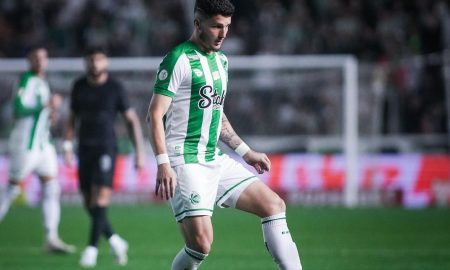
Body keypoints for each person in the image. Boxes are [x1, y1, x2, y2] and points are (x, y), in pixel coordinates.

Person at [147, 1, 303, 269]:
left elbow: (216, 114)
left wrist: (245, 152)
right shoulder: (178, 59)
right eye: (216, 26)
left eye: (227, 27)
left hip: (214, 158)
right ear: (198, 24)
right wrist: (163, 163)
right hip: (185, 161)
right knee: (201, 245)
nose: (223, 33)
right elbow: (154, 114)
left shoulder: (221, 61)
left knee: (274, 205)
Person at [63, 47, 146, 268]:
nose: (95, 64)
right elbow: (71, 118)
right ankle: (116, 241)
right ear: (86, 62)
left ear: (106, 62)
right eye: (91, 60)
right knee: (88, 202)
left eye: (99, 60)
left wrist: (139, 152)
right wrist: (67, 146)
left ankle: (91, 250)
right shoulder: (78, 86)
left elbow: (131, 120)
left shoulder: (115, 88)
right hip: (84, 149)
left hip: (106, 148)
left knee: (100, 198)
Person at [0, 46, 75, 254]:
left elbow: (40, 112)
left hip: (43, 146)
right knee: (12, 190)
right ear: (29, 61)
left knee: (52, 187)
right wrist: (45, 105)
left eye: (43, 58)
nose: (40, 61)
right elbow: (18, 108)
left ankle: (51, 237)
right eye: (35, 58)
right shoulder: (27, 80)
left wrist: (50, 115)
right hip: (26, 145)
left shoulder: (42, 82)